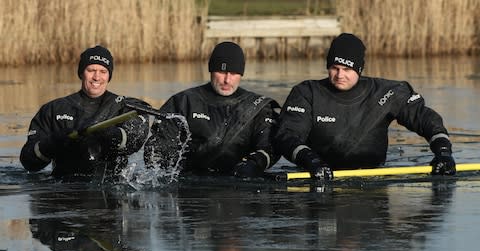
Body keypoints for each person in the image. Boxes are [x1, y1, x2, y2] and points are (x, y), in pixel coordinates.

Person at [274, 33, 456, 180]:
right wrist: (310, 160)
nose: (339, 75)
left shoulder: (387, 93)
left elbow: (425, 120)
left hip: (372, 178)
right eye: (334, 68)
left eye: (347, 70)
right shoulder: (307, 93)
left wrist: (444, 153)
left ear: (360, 69)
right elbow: (287, 135)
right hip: (317, 174)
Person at [144, 41, 280, 178]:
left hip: (238, 184)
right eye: (221, 71)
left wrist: (255, 164)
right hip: (190, 186)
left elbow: (269, 148)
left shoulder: (258, 107)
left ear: (241, 74)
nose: (227, 80)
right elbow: (159, 149)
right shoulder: (184, 102)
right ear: (211, 70)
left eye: (233, 73)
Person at [20, 45, 150, 180]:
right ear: (82, 73)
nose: (97, 77)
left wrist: (110, 134)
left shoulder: (123, 107)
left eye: (103, 71)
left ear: (109, 75)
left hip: (111, 187)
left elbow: (135, 140)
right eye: (91, 70)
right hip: (64, 188)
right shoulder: (53, 110)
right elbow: (29, 163)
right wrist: (52, 143)